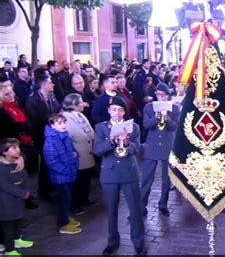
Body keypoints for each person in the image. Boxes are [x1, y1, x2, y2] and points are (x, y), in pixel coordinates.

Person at [93, 96, 145, 256]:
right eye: (114, 109)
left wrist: (127, 143)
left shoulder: (133, 127)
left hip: (129, 172)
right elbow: (97, 150)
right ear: (109, 111)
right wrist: (112, 140)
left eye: (121, 110)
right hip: (110, 173)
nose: (117, 113)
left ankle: (138, 242)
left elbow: (137, 149)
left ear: (124, 112)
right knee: (112, 210)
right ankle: (112, 241)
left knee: (135, 210)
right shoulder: (101, 128)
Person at [141, 83, 180, 217]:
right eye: (159, 95)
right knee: (147, 177)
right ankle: (142, 205)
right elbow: (146, 125)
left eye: (163, 95)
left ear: (168, 96)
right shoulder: (149, 107)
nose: (161, 98)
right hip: (151, 145)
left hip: (167, 145)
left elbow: (174, 127)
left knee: (166, 178)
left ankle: (163, 204)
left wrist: (167, 117)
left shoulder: (174, 108)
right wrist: (156, 116)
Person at [43, 114, 81, 234]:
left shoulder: (65, 136)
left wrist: (75, 158)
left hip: (69, 174)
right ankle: (63, 224)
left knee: (68, 198)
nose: (63, 125)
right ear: (52, 126)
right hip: (61, 177)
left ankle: (66, 217)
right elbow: (51, 161)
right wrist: (66, 170)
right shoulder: (51, 140)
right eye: (59, 123)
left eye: (64, 122)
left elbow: (73, 152)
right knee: (63, 200)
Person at [25, 75, 62, 200]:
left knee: (54, 160)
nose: (53, 85)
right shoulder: (32, 100)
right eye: (51, 83)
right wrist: (53, 117)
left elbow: (58, 109)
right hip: (41, 136)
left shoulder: (51, 96)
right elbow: (35, 120)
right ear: (44, 85)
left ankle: (52, 185)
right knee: (44, 163)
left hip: (53, 133)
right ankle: (43, 190)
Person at [61, 94, 96, 214]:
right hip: (77, 153)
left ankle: (84, 199)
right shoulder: (65, 117)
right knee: (77, 181)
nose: (83, 104)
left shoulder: (81, 114)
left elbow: (90, 131)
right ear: (73, 104)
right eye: (81, 102)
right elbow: (73, 134)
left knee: (86, 178)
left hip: (87, 151)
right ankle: (74, 204)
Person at [0, 138, 35, 256]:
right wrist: (23, 193)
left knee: (18, 221)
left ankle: (17, 239)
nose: (18, 150)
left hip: (18, 201)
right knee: (8, 227)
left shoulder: (16, 162)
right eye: (14, 148)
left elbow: (24, 176)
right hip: (5, 203)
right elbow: (5, 186)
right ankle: (9, 249)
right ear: (4, 152)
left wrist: (26, 190)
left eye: (18, 147)